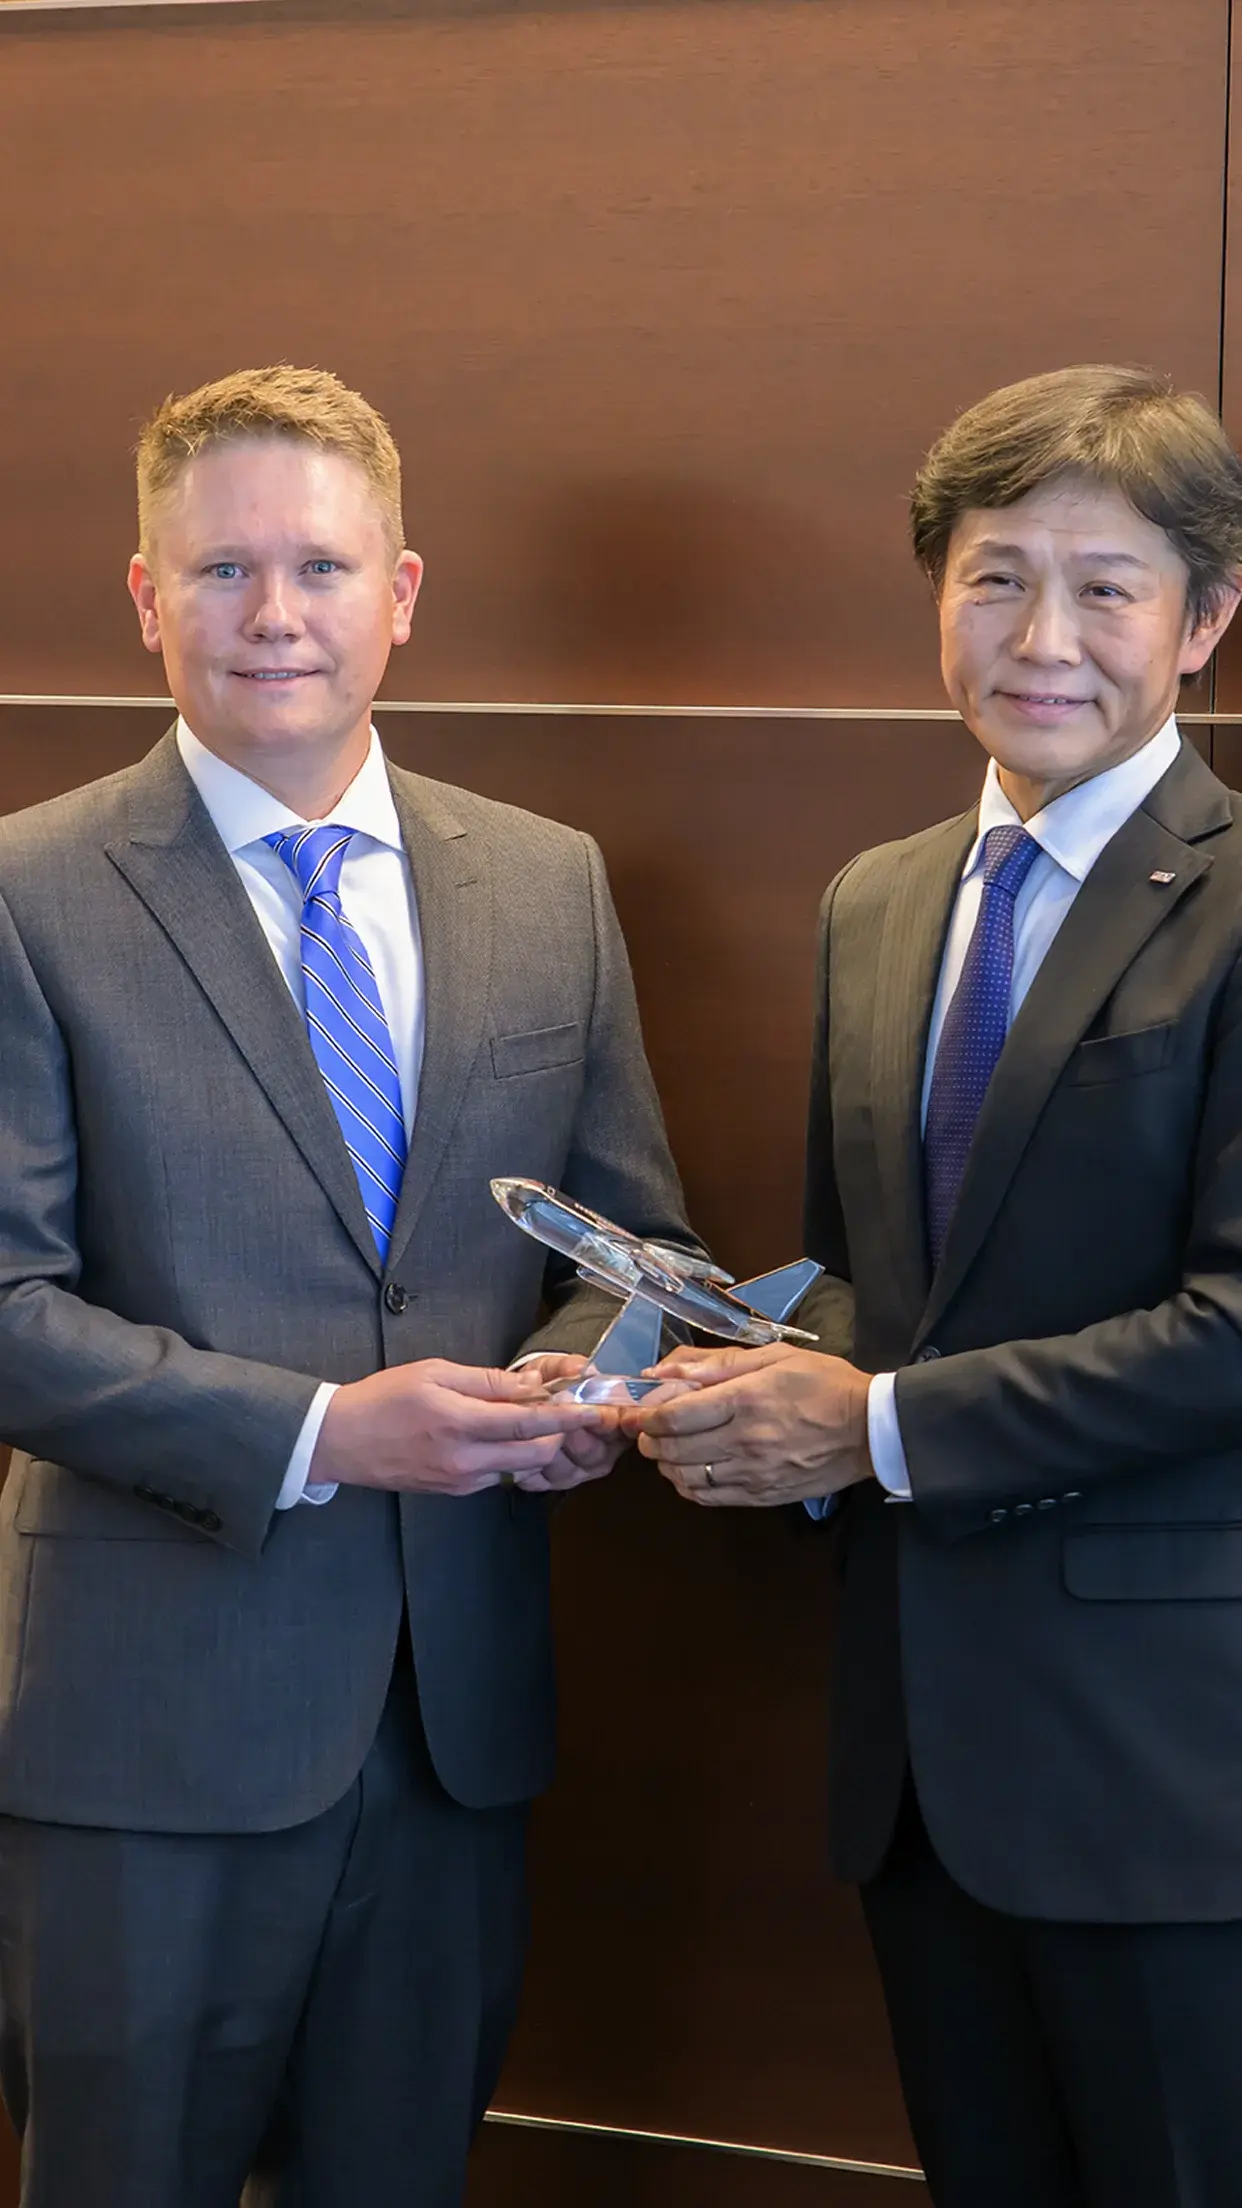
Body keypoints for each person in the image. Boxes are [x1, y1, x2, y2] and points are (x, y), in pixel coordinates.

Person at [0, 363, 692, 2207]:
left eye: (320, 565)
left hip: (456, 1725)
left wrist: (581, 1389)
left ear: (402, 593)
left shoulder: (548, 884)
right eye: (221, 571)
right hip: (150, 1728)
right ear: (146, 600)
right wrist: (324, 1432)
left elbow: (639, 1249)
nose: (275, 615)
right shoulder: (28, 893)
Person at [629, 364, 1242, 2208]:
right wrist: (729, 1389)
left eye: (1103, 586)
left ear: (1203, 621)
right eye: (992, 578)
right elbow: (862, 1303)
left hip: (1171, 1776)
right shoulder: (878, 899)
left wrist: (874, 1426)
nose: (1038, 637)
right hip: (915, 1771)